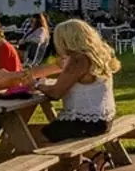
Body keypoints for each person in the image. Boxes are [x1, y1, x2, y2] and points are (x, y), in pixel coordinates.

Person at [31, 18, 122, 150]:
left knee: (36, 140)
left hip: (85, 122)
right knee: (46, 131)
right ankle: (91, 160)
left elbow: (56, 93)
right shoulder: (98, 56)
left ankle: (84, 162)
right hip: (103, 119)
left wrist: (35, 84)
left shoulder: (78, 60)